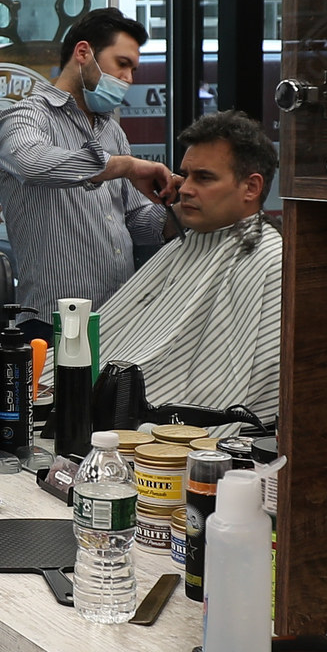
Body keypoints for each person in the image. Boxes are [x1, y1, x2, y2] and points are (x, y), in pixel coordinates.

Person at [88, 110, 284, 423]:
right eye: (186, 175)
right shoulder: (186, 244)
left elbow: (249, 395)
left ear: (251, 187)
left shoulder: (271, 262)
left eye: (204, 178)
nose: (186, 188)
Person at [0, 8, 178, 312]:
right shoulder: (23, 116)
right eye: (122, 64)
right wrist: (126, 166)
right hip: (53, 324)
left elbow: (134, 221)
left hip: (117, 318)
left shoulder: (112, 131)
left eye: (133, 70)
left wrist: (182, 209)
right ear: (83, 53)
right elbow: (32, 162)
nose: (128, 79)